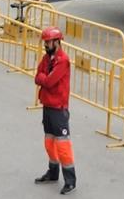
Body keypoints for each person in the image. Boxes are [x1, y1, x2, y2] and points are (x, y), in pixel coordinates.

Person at [34, 26, 77, 193]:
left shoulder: (63, 61)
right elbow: (37, 76)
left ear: (57, 42)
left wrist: (43, 78)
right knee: (49, 142)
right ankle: (52, 173)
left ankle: (70, 181)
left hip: (58, 108)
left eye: (48, 42)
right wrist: (43, 78)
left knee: (63, 146)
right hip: (48, 105)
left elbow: (49, 81)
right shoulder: (47, 58)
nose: (45, 44)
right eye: (45, 42)